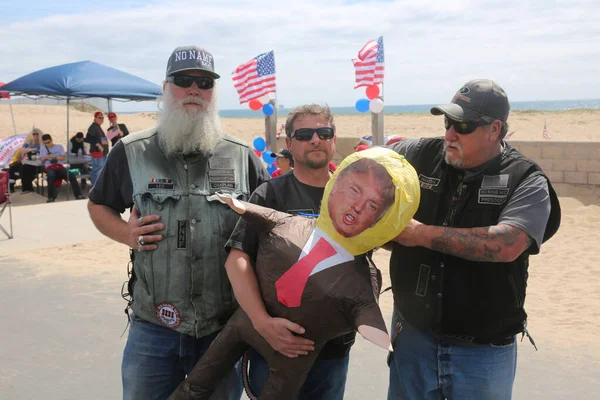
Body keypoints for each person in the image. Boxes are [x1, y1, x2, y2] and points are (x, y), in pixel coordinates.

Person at [86, 45, 269, 400]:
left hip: (222, 328)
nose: (194, 90)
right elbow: (98, 205)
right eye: (183, 80)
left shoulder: (242, 156)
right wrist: (126, 233)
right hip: (153, 329)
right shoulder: (131, 151)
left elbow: (271, 224)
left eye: (204, 82)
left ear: (214, 93)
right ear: (166, 88)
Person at [167, 149, 421, 400]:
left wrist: (373, 328)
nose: (357, 206)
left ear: (382, 220)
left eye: (372, 204)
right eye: (355, 190)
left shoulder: (363, 276)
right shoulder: (286, 216)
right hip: (248, 322)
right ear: (338, 183)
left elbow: (364, 308)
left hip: (305, 351)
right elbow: (240, 252)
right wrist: (261, 321)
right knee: (198, 382)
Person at [386, 79, 562, 400]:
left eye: (462, 126)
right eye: (447, 122)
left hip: (482, 354)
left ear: (495, 129)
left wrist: (418, 234)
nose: (449, 134)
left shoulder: (526, 179)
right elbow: (369, 163)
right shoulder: (419, 153)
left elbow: (509, 243)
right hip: (412, 339)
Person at [225, 104, 362, 399]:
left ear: (334, 140)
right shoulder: (269, 194)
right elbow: (237, 259)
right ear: (289, 144)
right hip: (276, 344)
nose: (315, 139)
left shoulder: (355, 197)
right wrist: (263, 323)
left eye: (324, 132)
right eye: (304, 134)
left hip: (333, 348)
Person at [38, 134, 85, 202]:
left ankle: (78, 195)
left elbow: (64, 158)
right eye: (45, 143)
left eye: (48, 142)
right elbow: (41, 159)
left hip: (59, 166)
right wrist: (45, 157)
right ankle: (51, 197)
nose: (47, 144)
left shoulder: (59, 147)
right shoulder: (43, 148)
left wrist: (54, 157)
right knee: (50, 176)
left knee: (71, 175)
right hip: (49, 167)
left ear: (51, 140)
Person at [8, 128, 42, 193]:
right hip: (27, 161)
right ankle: (10, 186)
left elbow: (41, 152)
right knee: (13, 167)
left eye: (37, 134)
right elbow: (22, 151)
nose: (36, 136)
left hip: (37, 163)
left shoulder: (42, 144)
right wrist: (25, 150)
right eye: (34, 134)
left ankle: (27, 188)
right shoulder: (28, 143)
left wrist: (30, 150)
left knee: (23, 168)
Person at [84, 111, 109, 186]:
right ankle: (95, 188)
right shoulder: (93, 127)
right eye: (99, 117)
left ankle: (98, 187)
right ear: (95, 118)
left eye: (102, 118)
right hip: (97, 153)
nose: (101, 119)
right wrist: (97, 144)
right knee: (96, 171)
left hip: (102, 153)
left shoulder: (97, 127)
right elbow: (88, 138)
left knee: (100, 171)